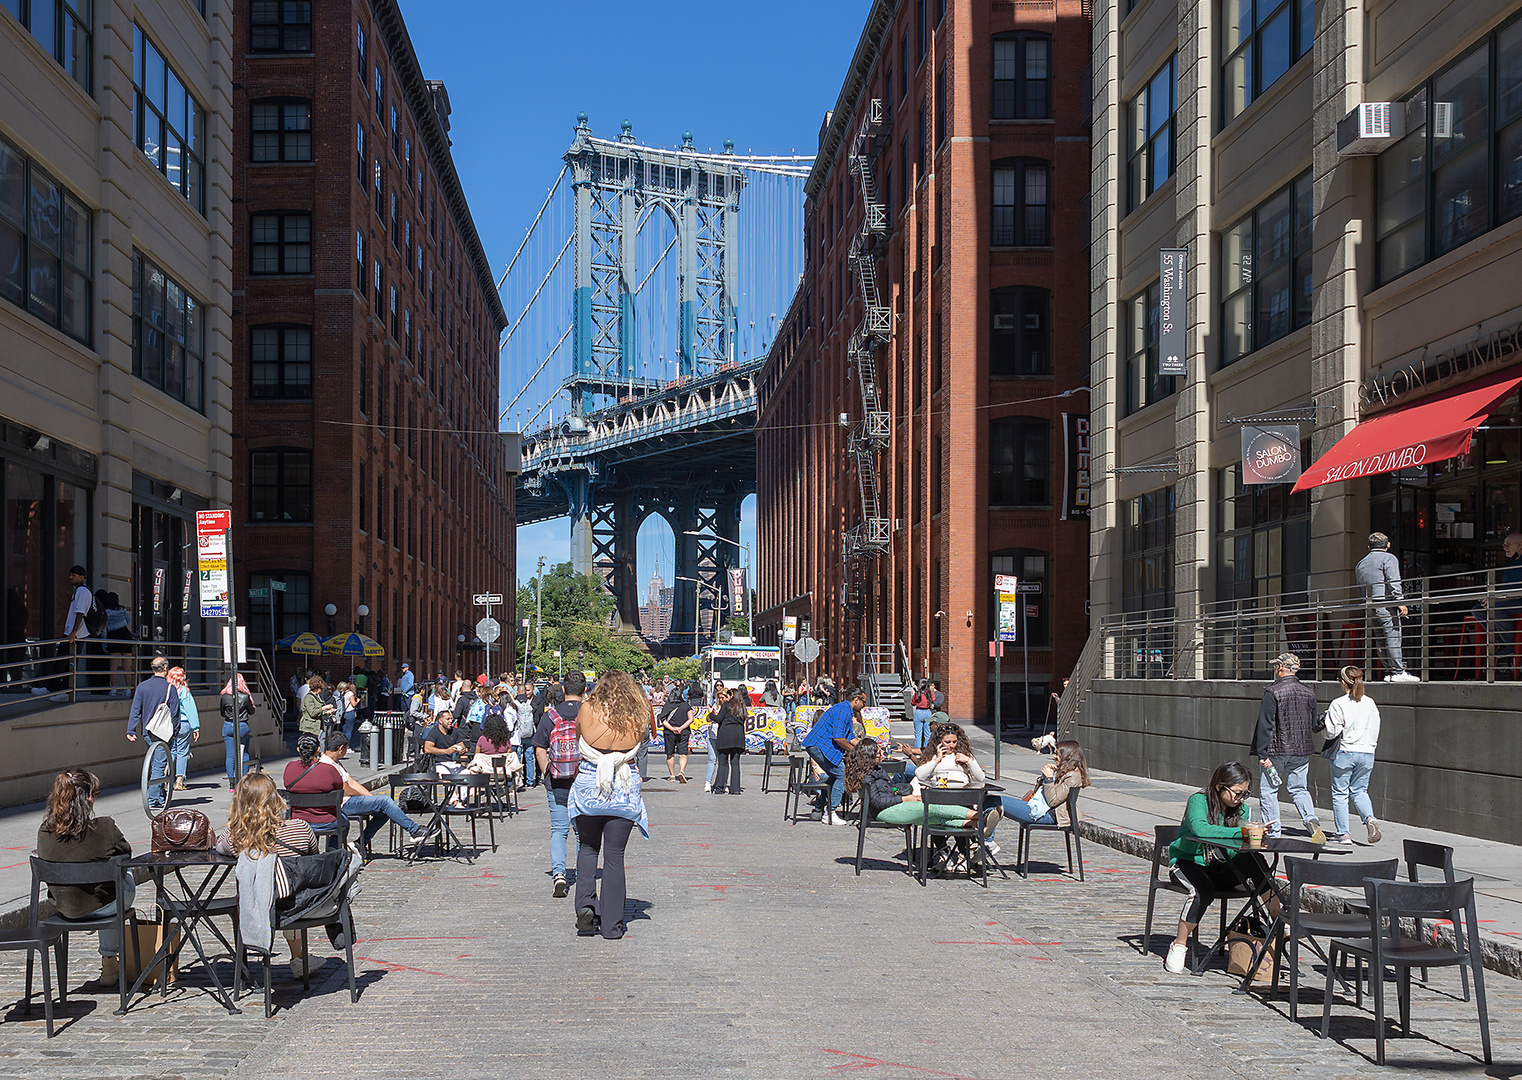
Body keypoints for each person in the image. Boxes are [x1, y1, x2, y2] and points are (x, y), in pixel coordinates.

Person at [1164, 762, 1280, 974]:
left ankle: (1280, 918)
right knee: (1202, 891)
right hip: (1190, 863)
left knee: (1256, 861)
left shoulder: (1241, 809)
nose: (1241, 799)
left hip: (1221, 865)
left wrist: (1253, 838)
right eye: (1237, 793)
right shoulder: (1199, 801)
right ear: (1220, 786)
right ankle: (1179, 944)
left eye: (1245, 794)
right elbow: (1201, 829)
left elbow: (1236, 845)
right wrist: (1240, 832)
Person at [567, 670, 649, 940]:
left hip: (590, 784)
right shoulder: (639, 711)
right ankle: (613, 926)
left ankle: (586, 906)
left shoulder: (587, 708)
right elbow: (646, 738)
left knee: (588, 848)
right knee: (615, 856)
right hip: (623, 787)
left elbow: (579, 737)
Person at [215, 771, 319, 978]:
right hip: (301, 906)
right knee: (290, 884)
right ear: (275, 798)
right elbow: (313, 860)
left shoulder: (237, 838)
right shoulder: (301, 828)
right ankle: (299, 957)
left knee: (275, 889)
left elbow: (220, 845)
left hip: (259, 909)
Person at [36, 768, 133, 986]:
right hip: (103, 904)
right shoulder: (104, 827)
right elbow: (126, 856)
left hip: (66, 908)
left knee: (108, 885)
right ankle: (109, 960)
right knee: (123, 880)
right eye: (94, 795)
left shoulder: (44, 831)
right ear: (86, 797)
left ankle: (106, 956)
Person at [1251, 652, 1326, 844]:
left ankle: (1273, 830)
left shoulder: (1272, 691)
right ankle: (1310, 819)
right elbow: (1314, 724)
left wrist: (1261, 752)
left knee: (1269, 790)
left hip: (1276, 750)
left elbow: (1266, 724)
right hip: (1302, 750)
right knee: (1299, 789)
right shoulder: (1309, 692)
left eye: (1275, 666)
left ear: (1280, 667)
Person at [321, 732, 436, 854]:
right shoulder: (327, 764)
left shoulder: (336, 762)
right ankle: (414, 830)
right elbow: (345, 789)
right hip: (342, 804)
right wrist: (374, 801)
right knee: (385, 801)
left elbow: (352, 782)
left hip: (347, 801)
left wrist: (372, 798)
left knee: (385, 809)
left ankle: (360, 843)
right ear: (341, 748)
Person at [844, 738, 982, 831]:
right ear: (870, 755)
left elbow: (889, 789)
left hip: (893, 805)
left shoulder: (877, 769)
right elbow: (877, 801)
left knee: (937, 818)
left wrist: (901, 791)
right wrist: (905, 798)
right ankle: (982, 816)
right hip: (884, 812)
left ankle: (979, 824)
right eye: (878, 752)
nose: (882, 754)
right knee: (934, 808)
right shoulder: (867, 776)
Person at [984, 740, 1090, 858]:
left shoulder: (1073, 776)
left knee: (993, 801)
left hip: (1047, 815)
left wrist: (1049, 779)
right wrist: (1045, 777)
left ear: (1067, 756)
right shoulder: (1062, 771)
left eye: (1057, 754)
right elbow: (1037, 792)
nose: (1054, 757)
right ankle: (982, 841)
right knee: (989, 801)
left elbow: (1053, 800)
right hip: (1038, 808)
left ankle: (985, 842)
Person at [534, 670, 586, 897]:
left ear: (563, 689)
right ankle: (583, 872)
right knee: (582, 831)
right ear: (585, 691)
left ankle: (559, 875)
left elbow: (539, 748)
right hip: (584, 780)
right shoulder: (589, 714)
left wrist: (548, 771)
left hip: (556, 781)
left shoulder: (551, 716)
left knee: (559, 829)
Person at [1322, 665, 1383, 846]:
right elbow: (1376, 726)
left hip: (1345, 751)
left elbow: (1332, 731)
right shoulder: (1370, 702)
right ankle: (1370, 819)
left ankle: (1343, 834)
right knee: (1360, 791)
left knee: (1340, 793)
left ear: (1343, 682)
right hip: (1367, 752)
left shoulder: (1338, 703)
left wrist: (1323, 729)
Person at [1355, 532, 1420, 683]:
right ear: (1388, 545)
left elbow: (1360, 588)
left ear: (1369, 547)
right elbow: (1393, 581)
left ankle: (1389, 672)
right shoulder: (1389, 558)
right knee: (1392, 637)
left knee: (1381, 639)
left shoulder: (1361, 563)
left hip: (1370, 606)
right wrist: (1400, 602)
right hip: (1386, 604)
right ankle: (1398, 671)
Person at [799, 688, 867, 825]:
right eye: (863, 702)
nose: (864, 705)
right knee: (842, 774)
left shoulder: (846, 710)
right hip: (819, 746)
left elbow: (850, 737)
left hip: (818, 746)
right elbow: (839, 738)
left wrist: (866, 747)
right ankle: (830, 813)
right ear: (856, 700)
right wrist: (855, 752)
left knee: (833, 776)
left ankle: (819, 807)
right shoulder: (842, 711)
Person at [126, 655, 180, 810]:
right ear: (165, 668)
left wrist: (131, 729)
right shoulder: (170, 688)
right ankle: (153, 799)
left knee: (157, 761)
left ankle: (160, 795)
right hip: (165, 733)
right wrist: (175, 731)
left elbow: (136, 709)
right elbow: (175, 713)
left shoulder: (142, 687)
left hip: (148, 731)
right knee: (159, 764)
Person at [1470, 531, 1522, 669]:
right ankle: (1500, 640)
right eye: (1504, 544)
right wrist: (1492, 597)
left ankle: (1510, 645)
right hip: (1508, 601)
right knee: (1477, 610)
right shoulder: (1512, 562)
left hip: (1518, 601)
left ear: (1520, 545)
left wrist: (1497, 600)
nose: (1504, 547)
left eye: (1508, 544)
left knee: (1495, 607)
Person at [165, 665, 200, 791]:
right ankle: (179, 781)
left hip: (169, 724)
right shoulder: (184, 691)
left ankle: (165, 776)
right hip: (184, 724)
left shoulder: (167, 690)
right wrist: (195, 727)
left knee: (171, 751)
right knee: (182, 752)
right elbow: (191, 710)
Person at [709, 687, 748, 795]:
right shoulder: (742, 707)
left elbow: (718, 719)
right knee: (735, 763)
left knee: (723, 762)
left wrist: (711, 714)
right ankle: (735, 788)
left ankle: (719, 787)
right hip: (738, 736)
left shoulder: (726, 705)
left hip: (726, 735)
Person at [221, 673, 255, 790]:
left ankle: (231, 783)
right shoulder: (245, 697)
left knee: (230, 754)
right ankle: (244, 781)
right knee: (244, 752)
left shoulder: (224, 697)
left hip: (228, 724)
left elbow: (222, 713)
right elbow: (251, 712)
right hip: (242, 725)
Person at [466, 710, 523, 780]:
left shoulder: (482, 739)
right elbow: (509, 757)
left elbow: (476, 757)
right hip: (503, 773)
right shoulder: (506, 741)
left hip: (485, 772)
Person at [659, 683, 694, 782]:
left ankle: (672, 775)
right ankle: (682, 771)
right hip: (684, 732)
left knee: (670, 754)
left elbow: (663, 720)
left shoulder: (667, 706)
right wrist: (681, 728)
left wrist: (672, 728)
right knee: (683, 754)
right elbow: (690, 719)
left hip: (669, 732)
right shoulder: (686, 705)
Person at [103, 591, 133, 695]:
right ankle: (128, 688)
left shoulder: (106, 612)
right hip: (125, 636)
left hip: (113, 637)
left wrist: (104, 644)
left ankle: (113, 688)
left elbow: (104, 630)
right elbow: (129, 621)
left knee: (113, 666)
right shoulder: (122, 609)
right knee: (127, 666)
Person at [422, 708, 467, 777]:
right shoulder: (434, 732)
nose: (451, 721)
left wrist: (461, 749)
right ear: (440, 721)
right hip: (438, 763)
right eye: (448, 719)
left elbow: (461, 745)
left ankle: (463, 787)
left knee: (467, 775)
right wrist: (446, 751)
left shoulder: (454, 731)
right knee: (447, 777)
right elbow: (427, 749)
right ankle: (449, 788)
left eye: (451, 719)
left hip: (452, 763)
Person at [910, 679, 934, 749]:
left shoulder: (918, 694)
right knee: (928, 733)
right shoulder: (930, 693)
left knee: (918, 734)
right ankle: (926, 749)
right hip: (927, 711)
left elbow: (913, 703)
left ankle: (917, 749)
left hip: (919, 712)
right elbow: (933, 700)